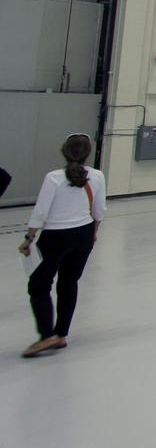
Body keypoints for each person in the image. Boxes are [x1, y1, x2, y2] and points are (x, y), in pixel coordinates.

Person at [18, 133, 106, 358]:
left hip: (55, 237)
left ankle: (47, 335)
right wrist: (93, 235)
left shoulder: (54, 178)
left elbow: (41, 212)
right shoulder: (97, 176)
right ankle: (61, 334)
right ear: (88, 153)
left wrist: (29, 239)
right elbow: (98, 211)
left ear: (64, 151)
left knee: (38, 286)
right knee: (69, 283)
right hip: (84, 235)